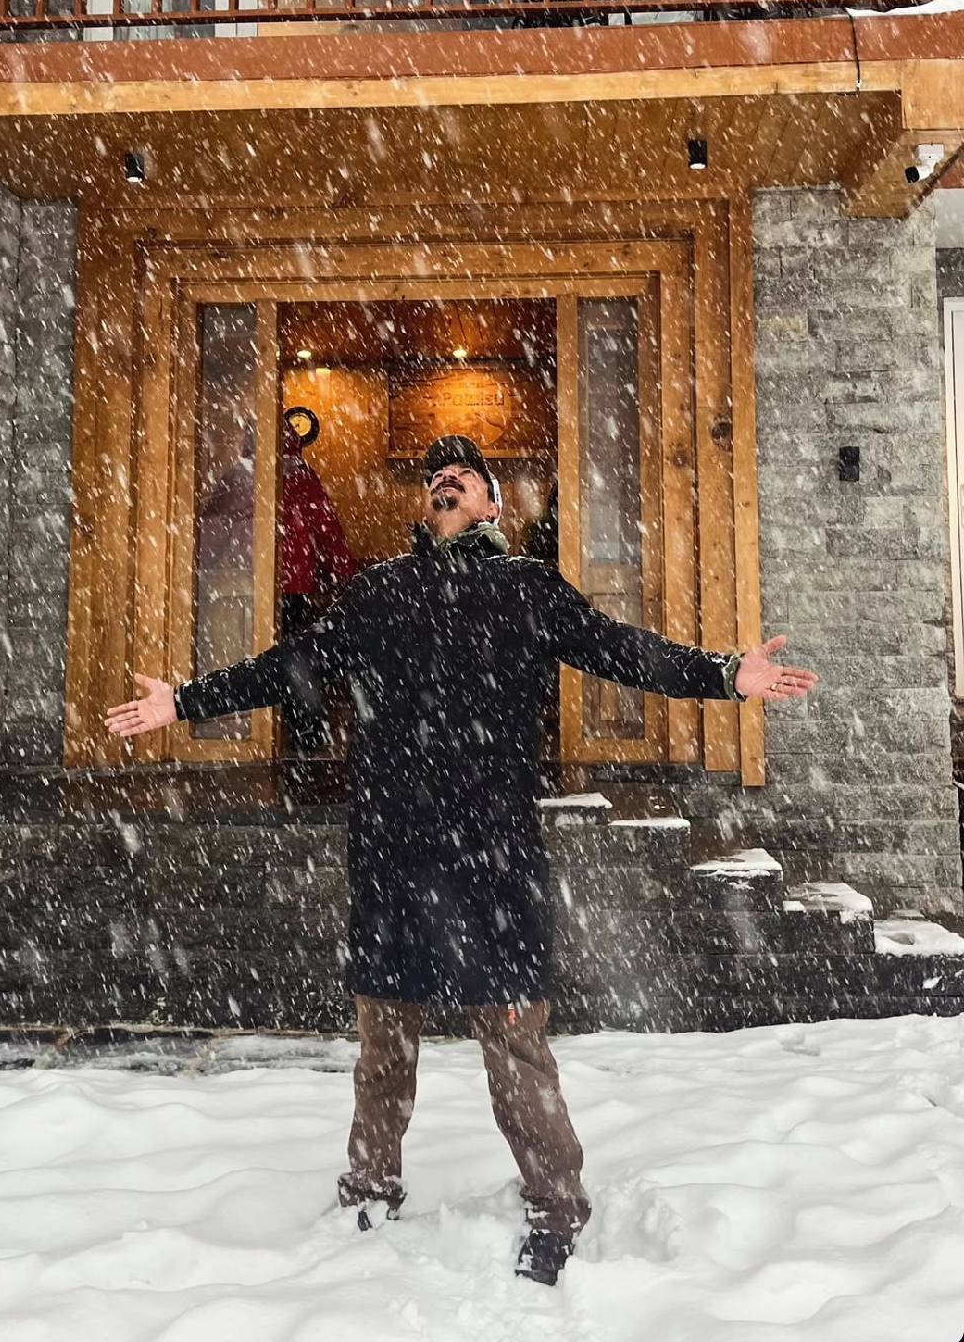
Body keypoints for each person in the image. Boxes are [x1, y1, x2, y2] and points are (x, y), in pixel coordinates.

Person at [106, 434, 818, 1286]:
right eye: (435, 477)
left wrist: (726, 675)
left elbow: (623, 650)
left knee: (517, 1046)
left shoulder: (526, 589)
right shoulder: (379, 593)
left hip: (492, 859)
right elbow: (288, 667)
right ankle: (371, 1187)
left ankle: (555, 1204)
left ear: (492, 504)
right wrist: (185, 701)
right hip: (392, 856)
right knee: (382, 1046)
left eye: (464, 476)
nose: (445, 482)